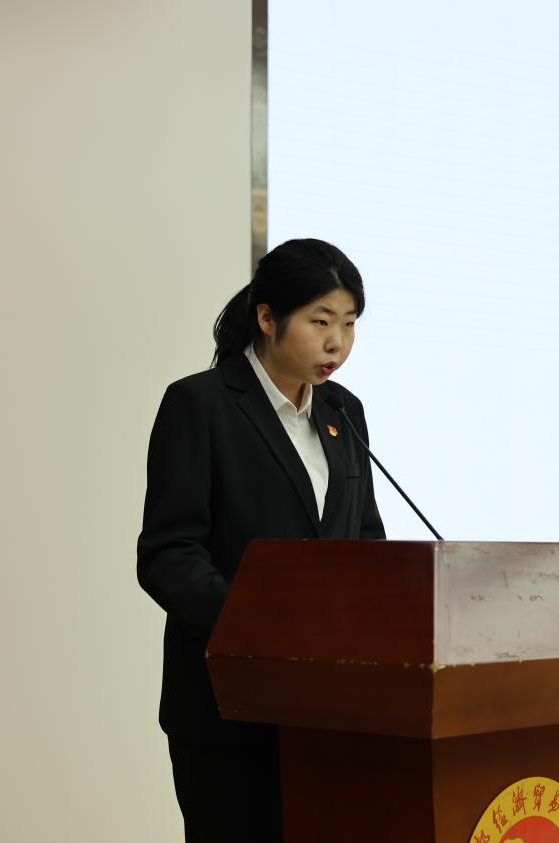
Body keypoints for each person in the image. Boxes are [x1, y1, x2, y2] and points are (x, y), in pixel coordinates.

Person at [137, 238, 385, 841]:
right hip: (228, 711)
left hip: (328, 713)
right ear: (268, 318)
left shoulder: (343, 412)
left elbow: (366, 540)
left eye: (349, 324)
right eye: (320, 322)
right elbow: (169, 554)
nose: (337, 343)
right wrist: (255, 631)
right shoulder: (201, 404)